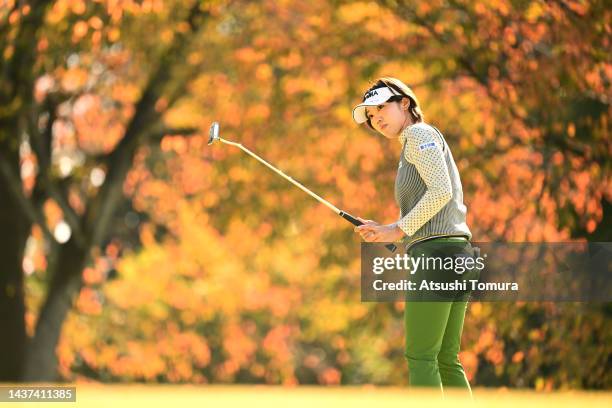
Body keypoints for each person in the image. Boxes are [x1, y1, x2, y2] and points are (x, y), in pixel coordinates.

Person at [352, 77, 477, 396]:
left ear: (404, 103)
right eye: (370, 115)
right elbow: (432, 197)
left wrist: (396, 229)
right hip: (454, 253)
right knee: (447, 360)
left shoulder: (419, 134)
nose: (375, 117)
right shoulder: (413, 143)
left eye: (380, 107)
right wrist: (388, 229)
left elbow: (440, 191)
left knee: (421, 356)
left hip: (439, 255)